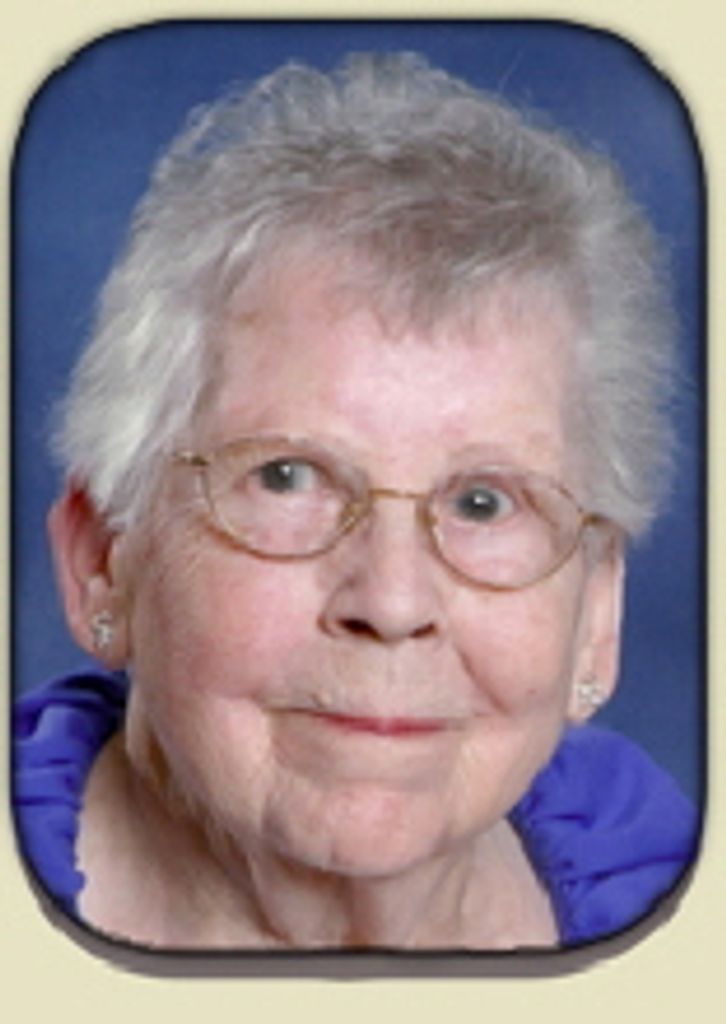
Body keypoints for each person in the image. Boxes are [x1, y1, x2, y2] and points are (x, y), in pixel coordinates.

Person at [14, 52, 697, 951]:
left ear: (597, 615)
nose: (392, 602)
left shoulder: (665, 888)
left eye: (484, 502)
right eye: (287, 477)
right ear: (101, 559)